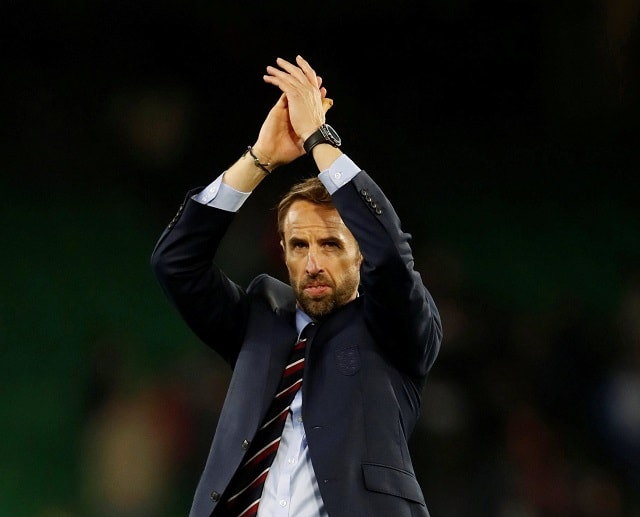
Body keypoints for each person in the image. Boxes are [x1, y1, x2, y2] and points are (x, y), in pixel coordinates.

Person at [151, 55, 442, 517]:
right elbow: (176, 263)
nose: (312, 262)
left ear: (359, 251)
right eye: (299, 245)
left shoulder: (397, 327)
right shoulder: (261, 316)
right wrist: (260, 159)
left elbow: (390, 257)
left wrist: (319, 141)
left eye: (330, 244)